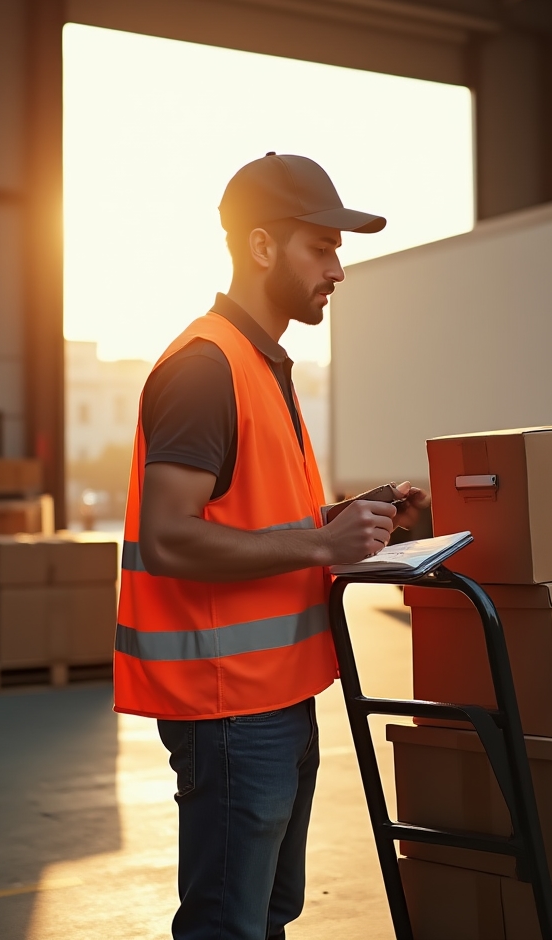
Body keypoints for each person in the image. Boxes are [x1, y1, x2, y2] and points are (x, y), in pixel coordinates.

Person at [112, 153, 429, 939]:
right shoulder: (204, 369)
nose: (338, 269)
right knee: (230, 924)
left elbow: (265, 515)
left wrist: (360, 516)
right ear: (261, 248)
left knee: (268, 915)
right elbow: (172, 537)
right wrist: (323, 543)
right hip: (229, 708)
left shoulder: (261, 363)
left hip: (276, 697)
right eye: (320, 248)